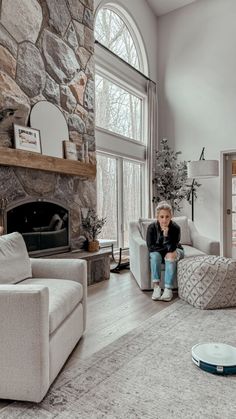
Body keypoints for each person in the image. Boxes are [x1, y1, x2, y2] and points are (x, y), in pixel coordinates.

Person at [146, 201, 184, 301]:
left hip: (176, 251)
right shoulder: (151, 228)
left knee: (170, 255)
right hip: (160, 252)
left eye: (167, 216)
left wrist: (166, 235)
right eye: (161, 216)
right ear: (157, 217)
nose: (164, 220)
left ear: (171, 216)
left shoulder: (176, 228)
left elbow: (172, 248)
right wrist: (164, 249)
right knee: (154, 255)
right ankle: (156, 287)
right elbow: (151, 248)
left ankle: (168, 289)